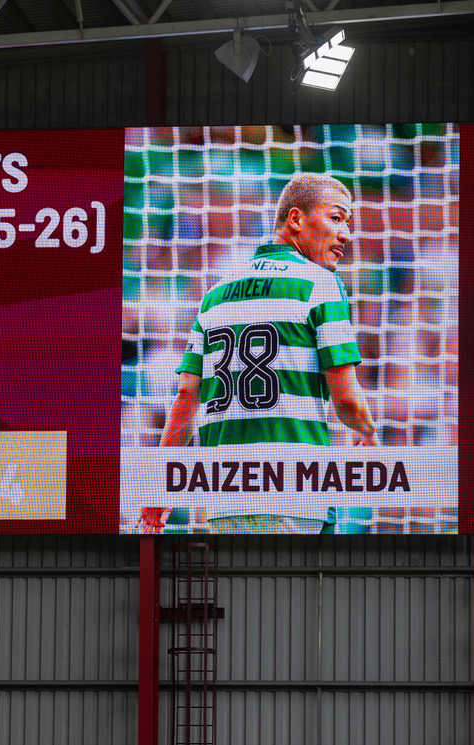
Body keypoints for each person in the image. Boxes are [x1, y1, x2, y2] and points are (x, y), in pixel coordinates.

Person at [145, 172, 378, 535]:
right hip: (296, 493)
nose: (346, 233)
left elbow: (187, 396)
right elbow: (347, 401)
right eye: (336, 218)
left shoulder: (216, 293)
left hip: (225, 496)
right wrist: (368, 432)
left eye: (347, 223)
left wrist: (160, 485)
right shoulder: (320, 285)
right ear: (295, 219)